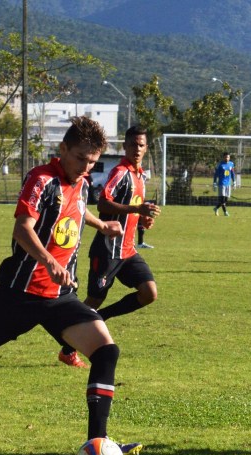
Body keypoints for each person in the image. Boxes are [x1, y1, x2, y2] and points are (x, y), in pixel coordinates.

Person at [0, 117, 143, 455]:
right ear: (63, 149)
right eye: (81, 158)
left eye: (93, 161)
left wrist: (101, 223)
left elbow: (76, 209)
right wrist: (49, 261)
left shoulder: (81, 183)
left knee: (106, 351)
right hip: (17, 295)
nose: (86, 167)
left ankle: (97, 445)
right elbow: (23, 228)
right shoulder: (41, 179)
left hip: (59, 297)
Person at [58, 125, 160, 368]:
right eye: (133, 144)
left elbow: (132, 210)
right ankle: (67, 349)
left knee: (149, 293)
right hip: (107, 251)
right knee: (92, 301)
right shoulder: (121, 172)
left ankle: (101, 318)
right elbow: (103, 203)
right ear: (125, 146)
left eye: (141, 145)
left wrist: (143, 218)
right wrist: (137, 209)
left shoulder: (140, 176)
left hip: (128, 251)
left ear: (146, 148)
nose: (137, 149)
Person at [213, 152, 236, 216]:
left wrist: (234, 182)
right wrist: (214, 183)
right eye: (226, 157)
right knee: (222, 199)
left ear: (229, 157)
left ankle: (216, 208)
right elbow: (216, 174)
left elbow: (232, 173)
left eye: (228, 157)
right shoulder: (220, 165)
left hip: (228, 184)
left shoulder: (231, 164)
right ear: (223, 157)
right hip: (221, 184)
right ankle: (225, 212)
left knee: (225, 200)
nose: (227, 158)